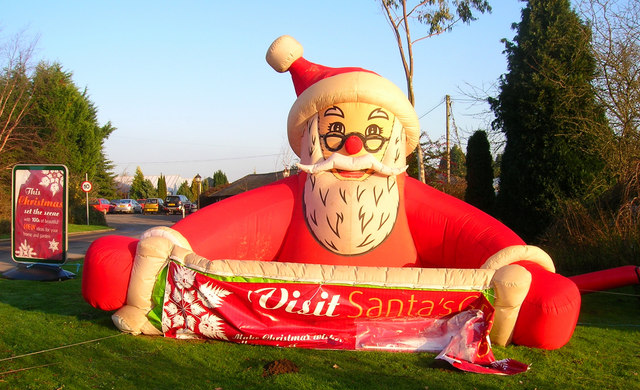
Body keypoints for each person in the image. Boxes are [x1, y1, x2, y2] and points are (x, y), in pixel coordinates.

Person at [82, 35, 580, 349]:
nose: (356, 145)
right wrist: (161, 254)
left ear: (396, 143)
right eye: (337, 129)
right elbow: (223, 228)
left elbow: (474, 235)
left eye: (372, 132)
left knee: (551, 302)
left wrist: (524, 274)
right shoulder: (292, 196)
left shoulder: (409, 200)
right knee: (113, 263)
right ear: (313, 137)